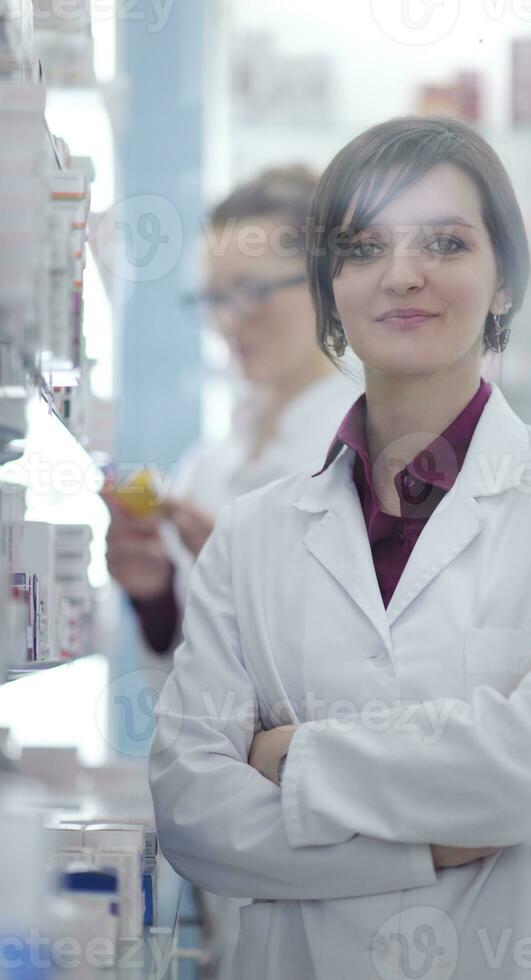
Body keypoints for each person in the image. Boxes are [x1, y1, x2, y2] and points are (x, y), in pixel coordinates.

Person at [149, 117, 531, 979]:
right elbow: (192, 813)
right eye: (361, 247)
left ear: (504, 281)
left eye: (445, 242)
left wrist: (287, 758)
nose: (401, 276)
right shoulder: (254, 531)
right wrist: (428, 846)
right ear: (330, 289)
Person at [101, 165, 360, 657]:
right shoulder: (209, 463)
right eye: (214, 298)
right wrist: (152, 589)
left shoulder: (365, 455)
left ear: (325, 284)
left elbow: (363, 661)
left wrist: (239, 573)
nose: (226, 321)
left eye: (251, 293)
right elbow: (182, 652)